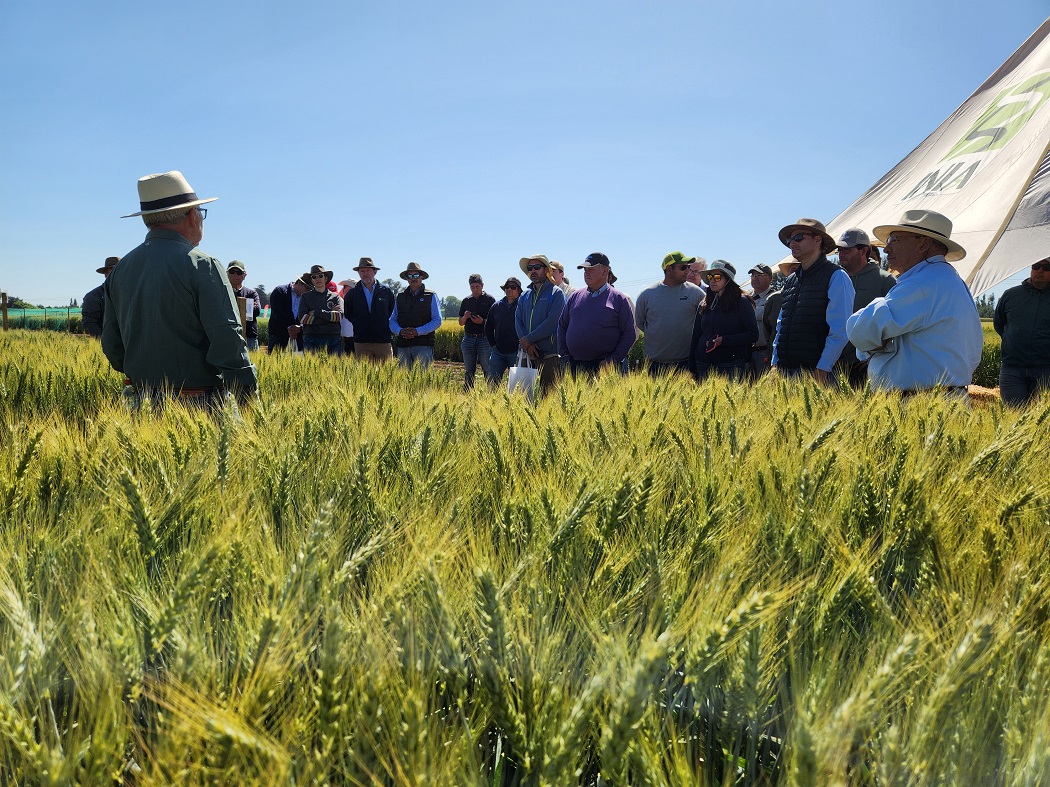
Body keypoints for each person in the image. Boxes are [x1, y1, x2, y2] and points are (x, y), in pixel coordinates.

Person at [103, 170, 256, 407]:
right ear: (193, 216)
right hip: (198, 402)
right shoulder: (203, 264)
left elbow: (112, 345)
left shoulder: (120, 270)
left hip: (140, 403)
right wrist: (248, 399)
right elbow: (228, 341)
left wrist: (148, 376)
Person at [847, 210, 982, 395]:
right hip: (943, 399)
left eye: (895, 240)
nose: (886, 249)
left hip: (916, 402)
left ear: (923, 244)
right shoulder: (949, 279)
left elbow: (859, 330)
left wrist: (878, 344)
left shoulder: (920, 284)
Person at [771, 218, 854, 385]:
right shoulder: (791, 280)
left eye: (799, 237)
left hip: (819, 374)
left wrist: (822, 369)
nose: (792, 243)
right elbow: (782, 325)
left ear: (818, 240)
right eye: (790, 239)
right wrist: (775, 363)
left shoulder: (837, 276)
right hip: (785, 373)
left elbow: (840, 330)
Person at [558, 252, 637, 377]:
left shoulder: (619, 299)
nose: (586, 272)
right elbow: (562, 326)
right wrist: (565, 355)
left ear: (605, 272)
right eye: (585, 270)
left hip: (605, 369)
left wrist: (613, 361)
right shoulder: (574, 297)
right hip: (574, 367)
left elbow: (629, 334)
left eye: (591, 269)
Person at [834, 229, 896, 387]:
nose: (841, 253)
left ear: (864, 250)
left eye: (847, 249)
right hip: (832, 365)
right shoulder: (835, 280)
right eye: (839, 249)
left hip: (866, 369)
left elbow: (897, 326)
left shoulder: (885, 280)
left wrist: (873, 358)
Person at [634, 250, 705, 376]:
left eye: (688, 267)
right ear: (669, 269)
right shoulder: (647, 295)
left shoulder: (696, 293)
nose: (687, 271)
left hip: (686, 363)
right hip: (654, 364)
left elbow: (706, 321)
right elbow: (640, 322)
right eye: (683, 267)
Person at [688, 261, 759, 380]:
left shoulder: (742, 302)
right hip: (703, 364)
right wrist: (691, 366)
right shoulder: (705, 302)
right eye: (710, 277)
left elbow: (752, 335)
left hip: (730, 364)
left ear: (728, 280)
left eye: (717, 277)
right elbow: (696, 335)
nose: (712, 280)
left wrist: (724, 340)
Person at [994, 255, 1050, 405]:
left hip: (1045, 371)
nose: (1040, 271)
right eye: (1036, 266)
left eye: (1046, 268)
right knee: (1015, 418)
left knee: (1041, 421)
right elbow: (999, 324)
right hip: (1012, 370)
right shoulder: (1011, 295)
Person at [515, 254, 567, 396]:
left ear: (546, 270)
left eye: (537, 267)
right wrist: (526, 343)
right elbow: (518, 319)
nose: (533, 271)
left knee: (547, 397)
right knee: (525, 397)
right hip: (527, 353)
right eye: (530, 268)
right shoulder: (524, 295)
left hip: (549, 355)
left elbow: (553, 321)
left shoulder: (556, 294)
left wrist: (528, 339)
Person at [390, 262, 443, 369]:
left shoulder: (431, 295)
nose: (413, 278)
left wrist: (417, 331)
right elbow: (392, 319)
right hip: (403, 346)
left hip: (423, 345)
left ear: (422, 277)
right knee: (403, 381)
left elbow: (437, 320)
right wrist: (399, 331)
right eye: (410, 276)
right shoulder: (400, 296)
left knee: (424, 380)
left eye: (416, 275)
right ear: (406, 278)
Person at [345, 258, 395, 362]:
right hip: (362, 342)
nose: (365, 274)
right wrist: (359, 323)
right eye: (362, 271)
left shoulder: (386, 291)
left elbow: (392, 312)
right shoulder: (352, 293)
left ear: (375, 272)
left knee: (386, 375)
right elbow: (348, 314)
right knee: (364, 376)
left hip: (383, 341)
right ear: (358, 273)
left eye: (368, 271)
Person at [459, 273, 495, 388]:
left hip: (484, 338)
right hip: (468, 338)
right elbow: (460, 322)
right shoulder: (466, 301)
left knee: (487, 368)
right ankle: (468, 392)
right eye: (472, 287)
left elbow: (495, 321)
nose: (475, 290)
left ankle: (490, 393)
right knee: (469, 370)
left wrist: (482, 321)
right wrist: (465, 317)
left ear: (482, 285)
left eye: (477, 287)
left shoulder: (490, 300)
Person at [298, 265, 344, 355]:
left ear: (326, 278)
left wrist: (315, 312)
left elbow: (339, 316)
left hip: (333, 340)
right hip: (311, 339)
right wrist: (329, 317)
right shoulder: (305, 297)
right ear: (311, 280)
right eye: (314, 277)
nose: (317, 279)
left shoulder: (335, 297)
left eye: (320, 276)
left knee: (335, 369)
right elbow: (303, 319)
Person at [485, 277, 523, 385]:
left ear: (519, 290)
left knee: (515, 387)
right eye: (507, 287)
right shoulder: (496, 306)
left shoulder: (523, 305)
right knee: (492, 385)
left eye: (513, 287)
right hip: (498, 352)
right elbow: (488, 327)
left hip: (516, 352)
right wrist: (493, 344)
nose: (509, 289)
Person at [226, 260, 262, 351]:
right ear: (226, 274)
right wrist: (247, 306)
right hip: (228, 336)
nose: (235, 274)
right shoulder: (222, 292)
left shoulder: (251, 293)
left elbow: (257, 310)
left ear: (244, 275)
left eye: (238, 272)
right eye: (232, 271)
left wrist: (234, 306)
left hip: (250, 337)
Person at [268, 275, 309, 353]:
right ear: (299, 283)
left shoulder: (307, 297)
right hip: (278, 335)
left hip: (299, 336)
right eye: (307, 288)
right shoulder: (280, 291)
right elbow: (278, 314)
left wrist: (300, 328)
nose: (308, 291)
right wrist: (291, 328)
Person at [746, 264, 774, 377]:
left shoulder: (774, 297)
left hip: (764, 351)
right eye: (753, 275)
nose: (754, 278)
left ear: (770, 278)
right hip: (746, 351)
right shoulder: (745, 297)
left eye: (759, 275)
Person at [82, 256, 119, 337]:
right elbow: (90, 323)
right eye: (113, 270)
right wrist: (107, 342)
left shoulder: (130, 295)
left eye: (121, 270)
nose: (118, 274)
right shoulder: (93, 297)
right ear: (106, 274)